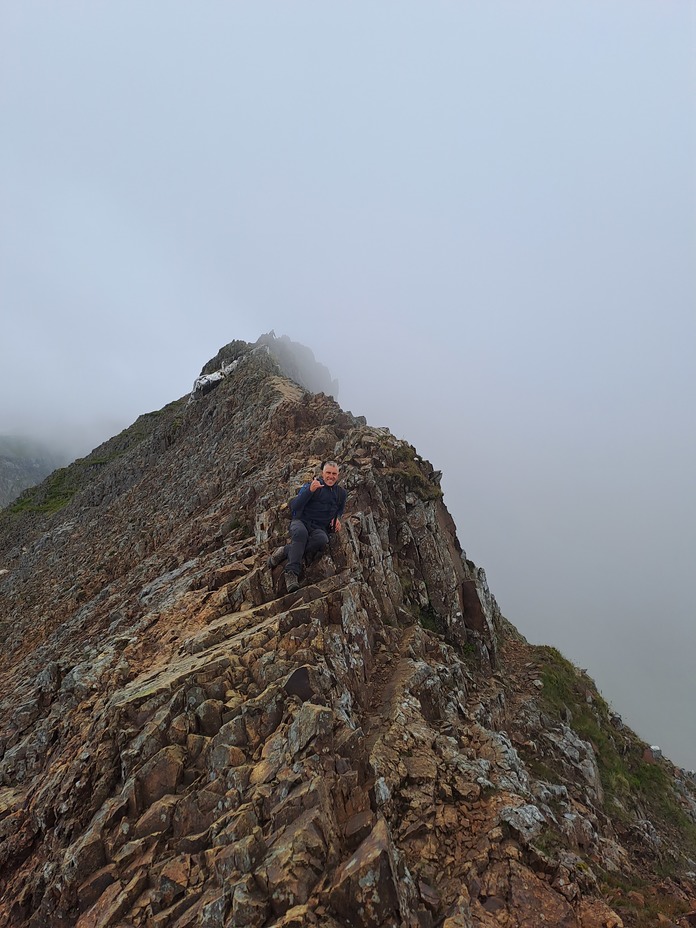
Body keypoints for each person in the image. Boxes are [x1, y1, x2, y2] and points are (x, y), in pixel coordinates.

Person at [268, 461, 347, 592]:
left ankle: (286, 550)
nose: (331, 476)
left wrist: (337, 519)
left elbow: (340, 510)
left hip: (319, 528)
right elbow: (295, 506)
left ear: (338, 476)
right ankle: (291, 573)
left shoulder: (341, 494)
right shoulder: (312, 486)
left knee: (322, 540)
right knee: (300, 534)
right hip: (301, 521)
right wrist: (310, 490)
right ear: (323, 473)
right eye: (328, 473)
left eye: (334, 474)